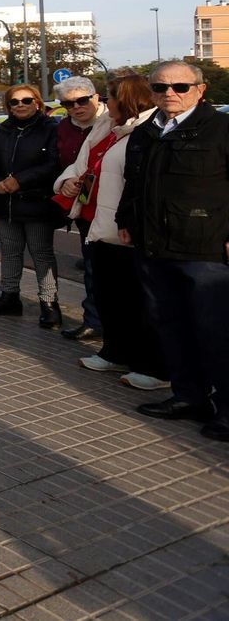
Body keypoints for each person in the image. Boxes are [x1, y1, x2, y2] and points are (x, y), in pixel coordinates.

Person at [117, 62, 229, 440]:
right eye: (161, 88)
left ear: (200, 89)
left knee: (216, 331)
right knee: (171, 325)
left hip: (206, 248)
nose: (170, 94)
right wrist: (125, 220)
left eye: (180, 86)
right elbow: (133, 182)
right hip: (154, 247)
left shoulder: (221, 129)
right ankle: (188, 397)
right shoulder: (146, 132)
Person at [56, 76, 167, 389]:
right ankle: (115, 351)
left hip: (125, 228)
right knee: (111, 295)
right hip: (96, 222)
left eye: (110, 97)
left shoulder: (145, 131)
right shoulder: (108, 127)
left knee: (138, 300)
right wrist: (66, 182)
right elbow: (82, 163)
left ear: (126, 99)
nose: (105, 102)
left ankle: (152, 365)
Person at [0, 83, 64, 326]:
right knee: (10, 250)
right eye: (14, 102)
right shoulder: (2, 130)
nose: (20, 106)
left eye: (26, 100)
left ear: (37, 102)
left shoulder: (50, 128)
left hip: (36, 203)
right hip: (4, 202)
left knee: (41, 253)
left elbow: (53, 164)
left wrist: (20, 181)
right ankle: (9, 296)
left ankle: (49, 303)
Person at [52, 76, 108, 341]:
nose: (76, 107)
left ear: (96, 97)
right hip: (82, 206)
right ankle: (94, 321)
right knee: (91, 266)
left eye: (81, 100)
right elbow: (59, 162)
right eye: (68, 103)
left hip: (109, 205)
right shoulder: (63, 128)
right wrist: (64, 182)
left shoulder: (112, 123)